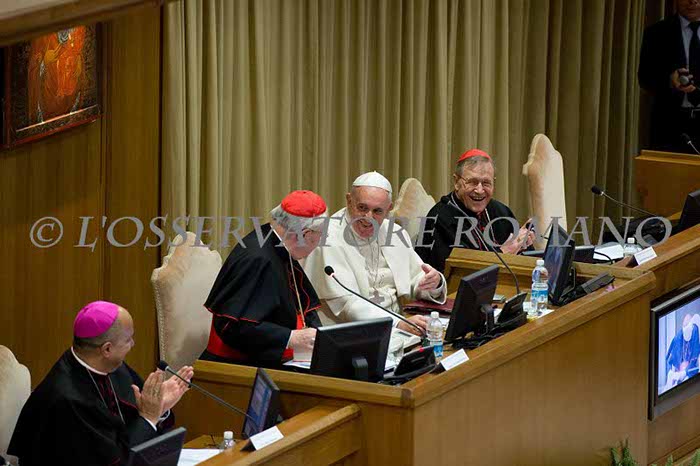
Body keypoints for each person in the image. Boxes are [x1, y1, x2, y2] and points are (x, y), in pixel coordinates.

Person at [8, 301, 193, 466]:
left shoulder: (110, 366)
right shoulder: (68, 398)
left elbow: (138, 420)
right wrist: (149, 416)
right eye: (128, 339)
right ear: (107, 349)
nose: (133, 344)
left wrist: (159, 408)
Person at [304, 172, 446, 336]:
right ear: (349, 200)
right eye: (362, 208)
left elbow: (416, 280)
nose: (368, 217)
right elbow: (347, 304)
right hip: (350, 332)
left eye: (377, 211)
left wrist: (434, 283)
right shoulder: (327, 238)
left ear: (388, 209)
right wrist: (398, 323)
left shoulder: (395, 233)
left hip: (400, 325)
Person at [201, 190, 327, 367]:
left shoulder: (276, 241)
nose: (317, 244)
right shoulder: (258, 260)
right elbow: (231, 326)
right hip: (233, 368)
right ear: (304, 234)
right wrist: (290, 338)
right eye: (318, 238)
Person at [416, 149, 535, 273]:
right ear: (456, 182)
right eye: (472, 182)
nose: (479, 190)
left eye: (486, 183)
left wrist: (523, 245)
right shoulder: (440, 218)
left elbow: (530, 262)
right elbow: (456, 274)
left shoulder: (501, 211)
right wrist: (505, 252)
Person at [638, 0, 700, 154]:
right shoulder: (656, 32)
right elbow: (645, 78)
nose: (693, 1)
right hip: (669, 126)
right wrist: (669, 80)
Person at [664, 312, 700, 391]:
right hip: (677, 373)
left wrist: (685, 373)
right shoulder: (677, 338)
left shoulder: (695, 334)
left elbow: (695, 357)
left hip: (690, 373)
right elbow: (668, 360)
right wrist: (670, 372)